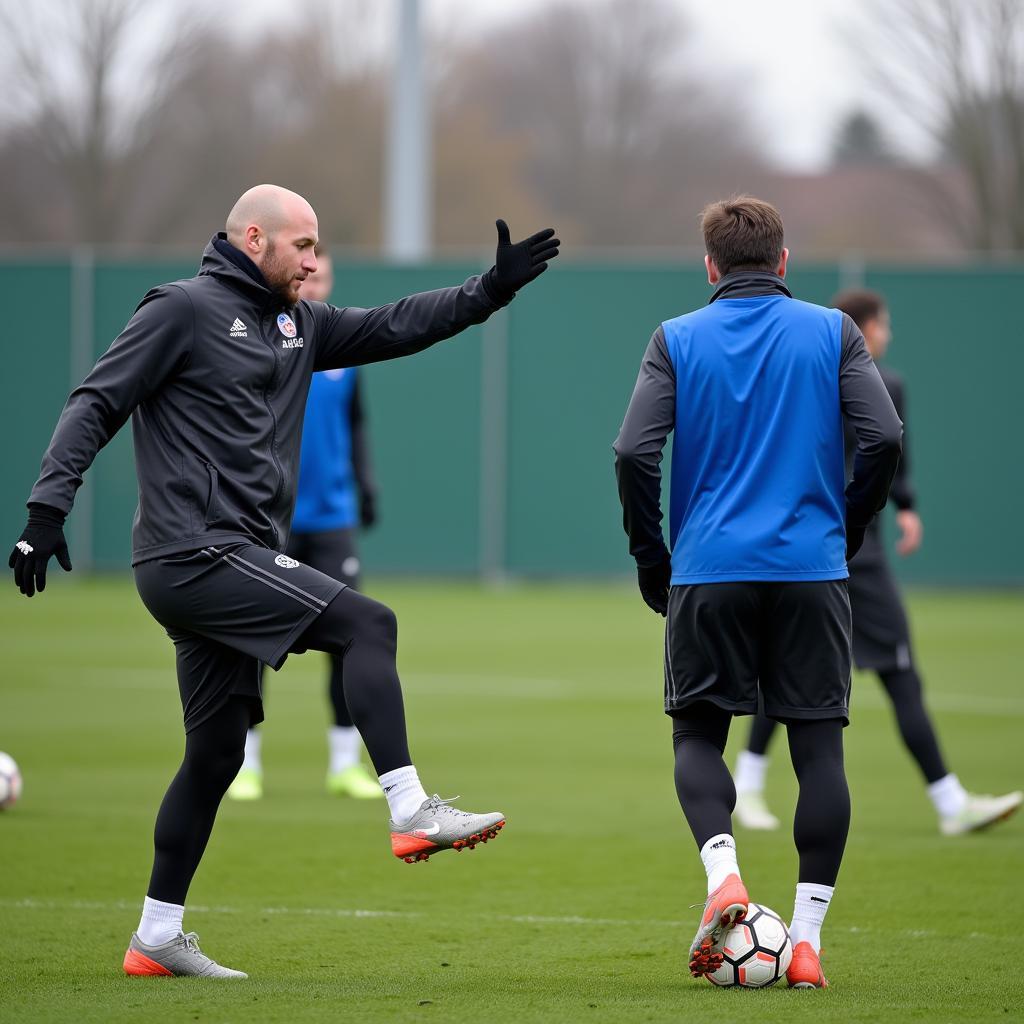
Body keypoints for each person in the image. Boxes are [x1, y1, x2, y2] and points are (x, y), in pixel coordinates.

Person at [9, 185, 559, 979]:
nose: (313, 261)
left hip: (221, 557)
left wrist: (491, 288)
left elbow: (397, 325)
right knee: (370, 625)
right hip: (192, 552)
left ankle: (155, 936)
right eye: (303, 246)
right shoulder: (181, 310)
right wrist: (46, 510)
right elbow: (97, 401)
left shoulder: (299, 323)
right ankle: (410, 807)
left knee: (217, 755)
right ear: (254, 237)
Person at [614, 196, 903, 989]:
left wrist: (652, 559)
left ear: (710, 266)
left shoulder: (674, 339)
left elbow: (634, 453)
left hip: (708, 570)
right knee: (819, 748)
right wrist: (847, 527)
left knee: (698, 737)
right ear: (783, 262)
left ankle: (724, 878)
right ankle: (805, 941)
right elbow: (882, 437)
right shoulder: (834, 331)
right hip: (812, 570)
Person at [733, 289, 1022, 837]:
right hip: (852, 554)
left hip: (797, 550)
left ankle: (747, 785)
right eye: (883, 324)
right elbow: (889, 447)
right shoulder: (883, 384)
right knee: (900, 675)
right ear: (863, 330)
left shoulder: (794, 381)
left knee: (787, 669)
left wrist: (904, 508)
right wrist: (890, 511)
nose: (887, 333)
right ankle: (950, 803)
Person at [227, 245, 383, 802]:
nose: (314, 282)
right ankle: (244, 763)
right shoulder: (261, 341)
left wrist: (365, 483)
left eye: (324, 277)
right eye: (308, 273)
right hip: (272, 515)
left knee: (352, 639)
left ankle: (345, 764)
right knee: (249, 639)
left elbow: (357, 424)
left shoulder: (341, 351)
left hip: (332, 515)